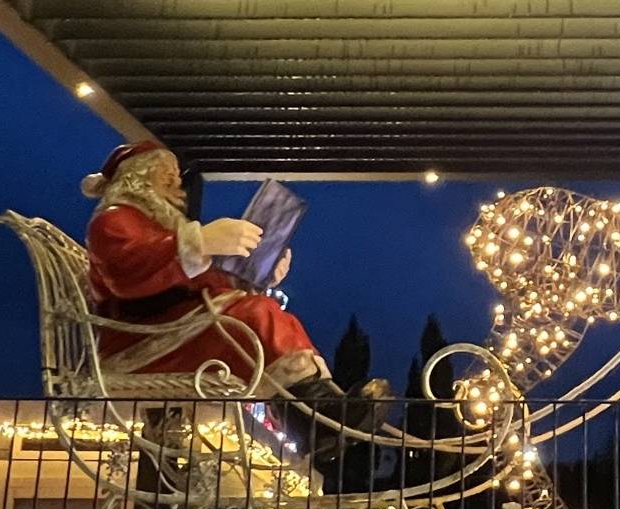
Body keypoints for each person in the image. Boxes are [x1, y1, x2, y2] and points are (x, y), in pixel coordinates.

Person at [78, 140, 388, 439]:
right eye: (167, 178)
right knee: (257, 316)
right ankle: (315, 422)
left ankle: (317, 419)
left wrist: (257, 275)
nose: (178, 187)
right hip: (140, 343)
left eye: (176, 178)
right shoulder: (113, 220)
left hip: (175, 331)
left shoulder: (158, 227)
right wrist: (200, 241)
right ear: (138, 180)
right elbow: (129, 272)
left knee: (264, 314)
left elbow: (195, 283)